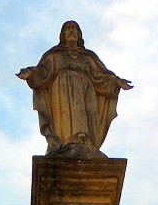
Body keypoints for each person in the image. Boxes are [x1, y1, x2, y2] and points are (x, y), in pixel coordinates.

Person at [17, 21, 133, 156]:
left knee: (84, 115)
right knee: (65, 116)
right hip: (62, 90)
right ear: (63, 35)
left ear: (79, 34)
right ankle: (64, 144)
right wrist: (31, 73)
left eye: (74, 29)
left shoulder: (87, 57)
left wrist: (116, 81)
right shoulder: (55, 55)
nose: (71, 31)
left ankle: (85, 144)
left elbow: (100, 76)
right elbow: (43, 72)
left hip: (85, 91)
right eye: (68, 29)